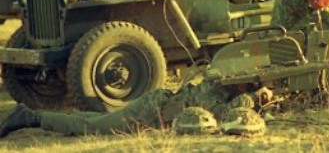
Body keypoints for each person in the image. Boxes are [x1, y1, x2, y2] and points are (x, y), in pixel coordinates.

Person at [0, 78, 265, 137]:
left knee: (99, 120)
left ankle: (56, 117)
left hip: (156, 105)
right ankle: (28, 117)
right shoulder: (221, 99)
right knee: (92, 128)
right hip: (151, 112)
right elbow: (232, 120)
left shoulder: (221, 83)